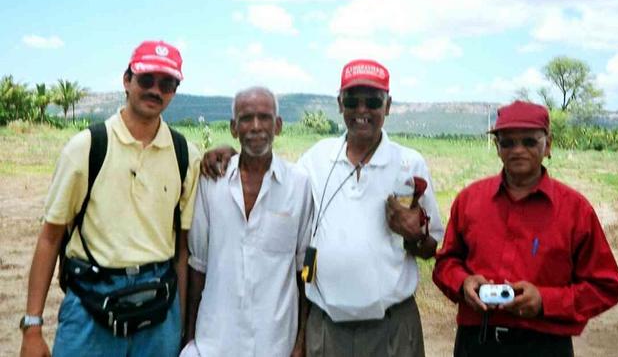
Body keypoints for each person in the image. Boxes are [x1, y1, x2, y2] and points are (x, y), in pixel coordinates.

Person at [200, 59, 444, 357]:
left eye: (373, 101)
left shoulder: (410, 164)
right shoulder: (316, 159)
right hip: (327, 327)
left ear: (388, 106)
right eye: (353, 101)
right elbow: (271, 175)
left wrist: (414, 236)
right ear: (340, 104)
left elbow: (432, 247)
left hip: (392, 327)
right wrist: (232, 154)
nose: (362, 110)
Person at [19, 40, 201, 357]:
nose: (155, 90)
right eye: (146, 79)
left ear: (174, 90)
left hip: (159, 310)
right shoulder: (87, 147)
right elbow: (50, 238)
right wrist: (32, 327)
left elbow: (182, 251)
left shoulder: (186, 155)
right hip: (91, 304)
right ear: (127, 80)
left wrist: (181, 328)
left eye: (167, 83)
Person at [432, 100, 618, 357]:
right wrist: (463, 283)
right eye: (507, 142)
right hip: (477, 341)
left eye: (529, 141)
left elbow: (606, 286)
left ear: (548, 146)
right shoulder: (469, 200)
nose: (518, 150)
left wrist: (545, 301)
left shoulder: (575, 210)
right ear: (498, 148)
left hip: (544, 344)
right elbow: (446, 263)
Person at [182, 87, 313, 357]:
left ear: (278, 126)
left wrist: (301, 340)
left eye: (265, 117)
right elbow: (198, 265)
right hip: (215, 341)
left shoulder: (299, 184)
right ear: (233, 128)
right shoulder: (211, 180)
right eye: (246, 118)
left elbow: (307, 266)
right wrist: (190, 337)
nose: (255, 127)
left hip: (276, 341)